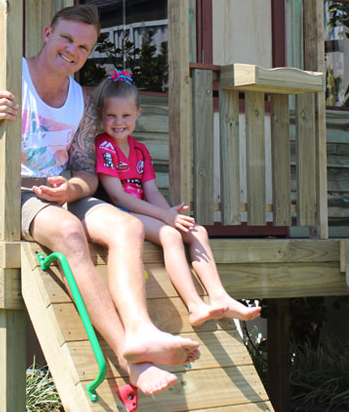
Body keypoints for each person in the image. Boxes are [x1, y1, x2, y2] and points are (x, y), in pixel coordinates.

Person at [0, 4, 199, 396]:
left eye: (83, 45)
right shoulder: (4, 76)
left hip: (54, 194)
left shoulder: (82, 100)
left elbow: (87, 174)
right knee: (69, 230)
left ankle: (141, 330)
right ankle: (130, 357)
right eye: (66, 39)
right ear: (47, 33)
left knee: (127, 226)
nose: (73, 50)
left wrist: (71, 190)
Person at [94, 70, 261, 325]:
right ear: (101, 117)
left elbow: (151, 191)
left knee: (197, 231)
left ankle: (220, 297)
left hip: (144, 211)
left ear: (137, 115)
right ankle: (195, 305)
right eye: (111, 116)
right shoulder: (104, 147)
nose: (119, 122)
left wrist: (172, 216)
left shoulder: (140, 150)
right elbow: (118, 197)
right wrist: (164, 217)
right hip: (120, 215)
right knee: (170, 235)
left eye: (126, 115)